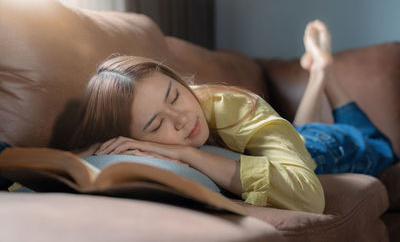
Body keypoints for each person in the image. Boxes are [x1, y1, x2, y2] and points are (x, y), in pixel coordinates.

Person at [70, 20, 397, 214]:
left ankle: (325, 72)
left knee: (376, 143)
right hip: (293, 138)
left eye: (175, 96)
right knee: (298, 133)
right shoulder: (122, 134)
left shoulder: (234, 107)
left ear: (183, 84)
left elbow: (308, 198)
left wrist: (184, 153)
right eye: (157, 124)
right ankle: (320, 72)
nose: (182, 118)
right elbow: (84, 156)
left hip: (328, 148)